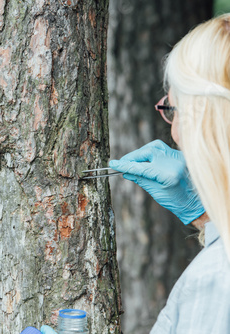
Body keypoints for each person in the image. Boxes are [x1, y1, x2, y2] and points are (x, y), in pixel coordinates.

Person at [27, 13, 230, 334]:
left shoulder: (216, 281)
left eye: (173, 109)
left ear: (207, 123)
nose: (174, 131)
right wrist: (206, 218)